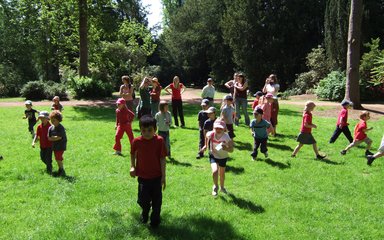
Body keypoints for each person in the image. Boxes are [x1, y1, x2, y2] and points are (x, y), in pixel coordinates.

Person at [130, 115, 167, 228]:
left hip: (156, 177)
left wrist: (163, 176)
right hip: (143, 177)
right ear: (140, 130)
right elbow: (132, 154)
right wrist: (132, 166)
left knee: (157, 202)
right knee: (143, 201)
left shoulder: (159, 141)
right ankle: (145, 212)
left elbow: (162, 159)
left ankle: (155, 222)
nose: (146, 133)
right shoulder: (136, 141)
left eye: (150, 130)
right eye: (143, 130)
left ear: (155, 129)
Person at [200, 119, 233, 196]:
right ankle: (215, 186)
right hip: (213, 155)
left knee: (222, 174)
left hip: (223, 157)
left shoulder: (226, 136)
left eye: (220, 128)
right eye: (216, 128)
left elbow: (231, 150)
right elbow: (206, 137)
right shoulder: (210, 134)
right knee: (215, 171)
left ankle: (222, 187)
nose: (218, 130)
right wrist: (205, 145)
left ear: (224, 128)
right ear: (213, 128)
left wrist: (226, 148)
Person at [48, 110, 67, 177]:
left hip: (61, 146)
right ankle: (60, 169)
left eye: (54, 120)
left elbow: (59, 137)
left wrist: (54, 137)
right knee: (57, 158)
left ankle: (61, 170)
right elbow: (49, 138)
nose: (52, 122)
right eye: (51, 120)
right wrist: (54, 137)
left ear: (59, 120)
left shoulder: (61, 128)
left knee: (58, 158)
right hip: (55, 146)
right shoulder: (50, 128)